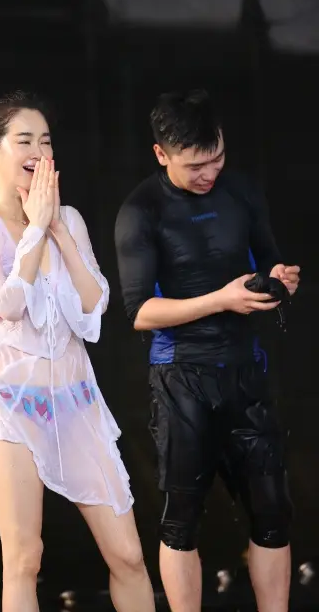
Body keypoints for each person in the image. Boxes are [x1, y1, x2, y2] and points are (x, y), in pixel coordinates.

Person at [0, 91, 155, 612]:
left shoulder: (70, 219)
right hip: (8, 401)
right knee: (24, 558)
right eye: (24, 141)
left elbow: (94, 305)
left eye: (45, 141)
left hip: (75, 398)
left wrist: (57, 229)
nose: (38, 152)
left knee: (129, 554)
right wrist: (35, 229)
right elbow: (7, 305)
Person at [114, 89, 300, 612]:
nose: (209, 174)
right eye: (195, 165)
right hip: (182, 378)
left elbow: (269, 260)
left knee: (273, 512)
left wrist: (281, 280)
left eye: (216, 158)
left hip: (245, 369)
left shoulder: (241, 190)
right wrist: (220, 299)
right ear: (161, 154)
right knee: (182, 521)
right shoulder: (141, 211)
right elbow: (139, 312)